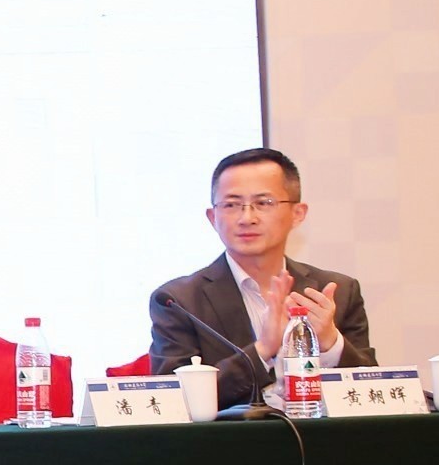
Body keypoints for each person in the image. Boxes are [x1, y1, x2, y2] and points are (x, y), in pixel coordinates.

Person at [148, 147, 378, 411]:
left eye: (264, 203)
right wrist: (262, 350)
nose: (247, 218)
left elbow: (373, 395)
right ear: (213, 217)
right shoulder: (178, 301)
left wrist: (330, 344)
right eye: (231, 205)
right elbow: (172, 402)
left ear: (297, 213)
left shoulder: (337, 292)